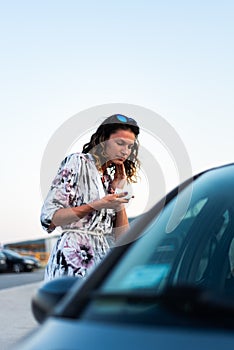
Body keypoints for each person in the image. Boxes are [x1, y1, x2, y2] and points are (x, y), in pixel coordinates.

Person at [41, 114, 140, 280]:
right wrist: (97, 205)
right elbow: (49, 218)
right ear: (103, 140)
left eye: (130, 146)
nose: (125, 151)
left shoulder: (108, 181)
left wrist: (116, 191)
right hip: (72, 261)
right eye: (120, 143)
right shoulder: (78, 162)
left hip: (100, 262)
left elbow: (122, 239)